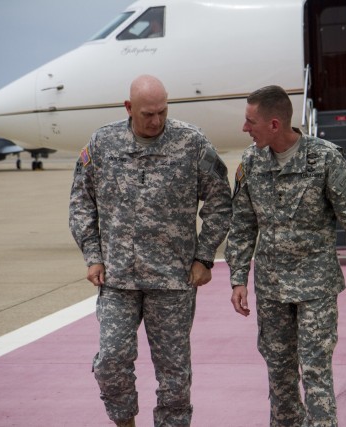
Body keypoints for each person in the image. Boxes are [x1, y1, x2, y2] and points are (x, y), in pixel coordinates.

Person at [69, 75, 232, 427]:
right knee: (111, 360)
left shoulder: (191, 142)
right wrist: (93, 254)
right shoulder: (102, 143)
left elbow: (220, 200)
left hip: (172, 282)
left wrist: (204, 257)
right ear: (128, 108)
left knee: (174, 374)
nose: (156, 120)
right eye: (147, 114)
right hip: (117, 279)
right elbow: (81, 202)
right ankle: (124, 422)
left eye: (162, 111)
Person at [224, 85, 346, 426]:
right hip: (272, 289)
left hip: (315, 288)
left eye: (250, 121)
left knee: (315, 372)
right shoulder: (250, 163)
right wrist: (238, 278)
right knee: (279, 376)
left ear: (275, 124)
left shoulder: (324, 159)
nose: (244, 128)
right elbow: (243, 225)